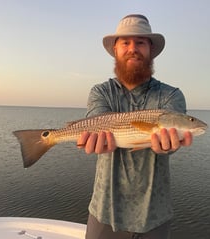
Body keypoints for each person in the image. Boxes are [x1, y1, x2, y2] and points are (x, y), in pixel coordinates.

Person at [77, 14, 193, 239]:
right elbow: (98, 119)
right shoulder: (101, 92)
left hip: (154, 217)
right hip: (104, 214)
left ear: (150, 49)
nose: (133, 48)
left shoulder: (171, 96)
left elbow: (172, 136)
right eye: (126, 42)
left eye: (140, 42)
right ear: (116, 49)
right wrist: (94, 138)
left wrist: (171, 145)